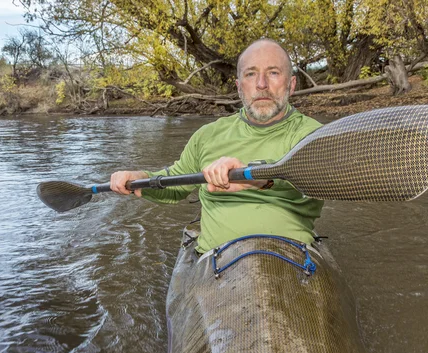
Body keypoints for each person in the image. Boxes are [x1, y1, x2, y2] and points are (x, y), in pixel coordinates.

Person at [110, 39, 324, 254]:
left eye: (273, 73)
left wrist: (257, 179)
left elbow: (324, 180)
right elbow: (175, 185)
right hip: (215, 265)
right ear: (239, 87)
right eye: (250, 74)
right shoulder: (207, 135)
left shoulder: (314, 135)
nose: (261, 84)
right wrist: (139, 178)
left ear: (292, 84)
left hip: (292, 258)